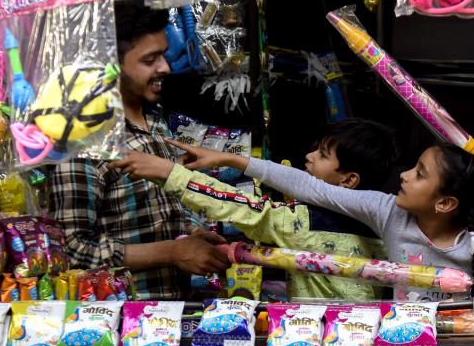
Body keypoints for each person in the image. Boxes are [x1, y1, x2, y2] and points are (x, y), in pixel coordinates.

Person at [122, 140, 474, 317]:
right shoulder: (387, 212)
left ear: (446, 203)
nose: (405, 176)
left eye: (420, 173)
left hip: (453, 345)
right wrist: (233, 160)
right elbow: (309, 187)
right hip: (400, 338)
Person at [49, 1, 230, 300]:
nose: (166, 68)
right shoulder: (85, 139)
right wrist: (171, 252)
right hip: (120, 323)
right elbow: (71, 249)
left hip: (170, 317)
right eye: (150, 60)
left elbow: (166, 206)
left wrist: (193, 232)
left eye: (163, 54)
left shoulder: (155, 121)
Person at [113, 118, 397, 301]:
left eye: (322, 155)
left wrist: (167, 171)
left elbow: (237, 206)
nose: (309, 157)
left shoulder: (306, 224)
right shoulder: (385, 224)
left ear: (348, 181)